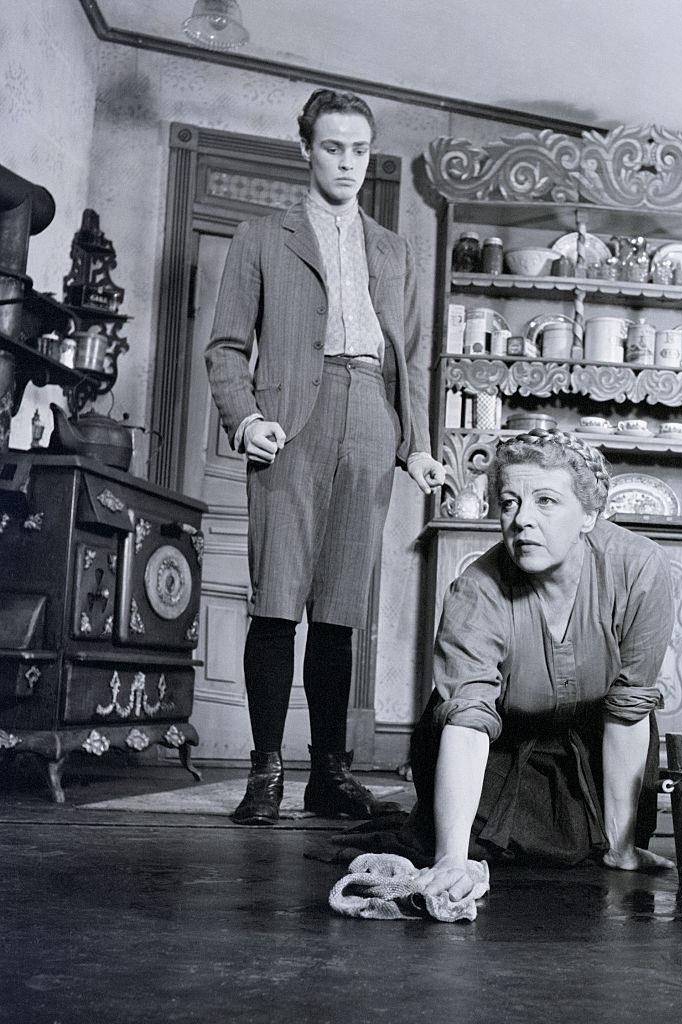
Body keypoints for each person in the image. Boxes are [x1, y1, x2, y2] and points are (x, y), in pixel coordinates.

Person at [205, 89, 445, 826]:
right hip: (291, 420)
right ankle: (267, 771)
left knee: (341, 610)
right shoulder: (260, 237)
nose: (346, 161)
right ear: (305, 147)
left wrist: (418, 447)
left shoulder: (393, 249)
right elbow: (224, 348)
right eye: (333, 146)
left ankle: (329, 774)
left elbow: (408, 356)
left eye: (359, 149)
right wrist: (244, 420)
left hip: (370, 413)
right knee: (277, 599)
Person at [407, 429, 675, 899]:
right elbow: (468, 725)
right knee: (476, 847)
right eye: (509, 503)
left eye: (546, 501)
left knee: (601, 845)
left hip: (596, 744)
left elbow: (629, 709)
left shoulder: (639, 568)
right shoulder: (477, 590)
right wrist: (451, 858)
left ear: (590, 514)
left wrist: (623, 846)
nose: (522, 520)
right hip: (497, 745)